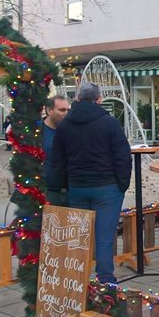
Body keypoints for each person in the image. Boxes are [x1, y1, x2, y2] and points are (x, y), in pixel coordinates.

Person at [49, 82, 131, 284]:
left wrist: (62, 185)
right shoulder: (109, 122)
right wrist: (121, 185)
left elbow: (58, 161)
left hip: (77, 187)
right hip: (106, 188)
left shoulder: (65, 125)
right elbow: (123, 157)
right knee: (104, 237)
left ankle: (77, 280)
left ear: (77, 99)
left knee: (79, 237)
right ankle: (105, 281)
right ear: (99, 99)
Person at [42, 95, 71, 205]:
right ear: (49, 110)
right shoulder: (36, 132)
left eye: (68, 110)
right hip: (45, 191)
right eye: (62, 110)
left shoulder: (70, 129)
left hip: (70, 191)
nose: (66, 113)